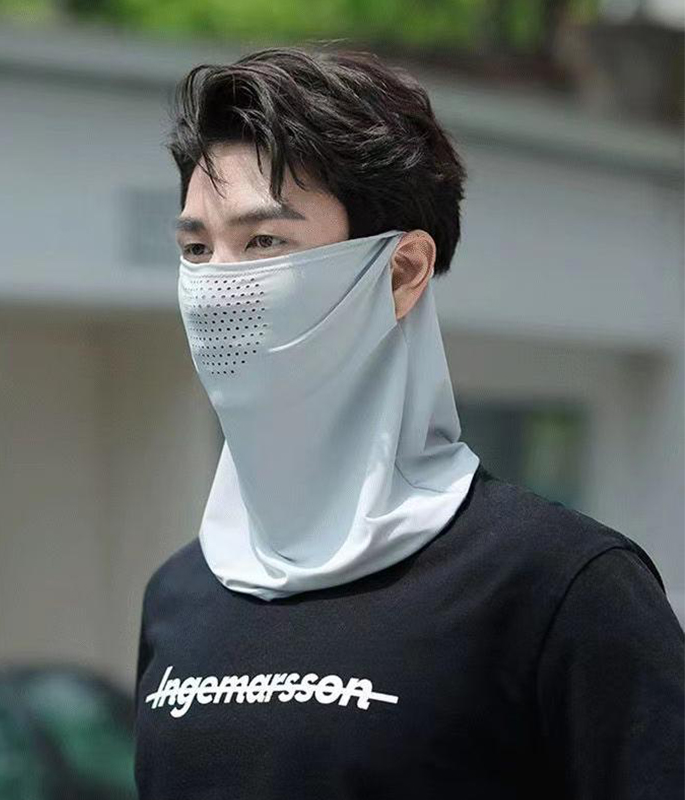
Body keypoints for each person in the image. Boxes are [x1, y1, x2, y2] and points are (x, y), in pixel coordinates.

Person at [134, 45, 684, 799]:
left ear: (401, 273)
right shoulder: (180, 593)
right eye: (196, 248)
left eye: (264, 242)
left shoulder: (559, 586)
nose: (216, 285)